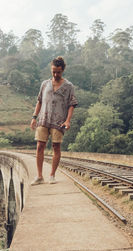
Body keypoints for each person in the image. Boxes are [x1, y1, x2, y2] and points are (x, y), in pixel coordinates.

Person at [30, 56, 77, 185]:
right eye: (54, 71)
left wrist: (68, 121)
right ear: (51, 70)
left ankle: (52, 175)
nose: (56, 74)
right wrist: (34, 117)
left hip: (58, 121)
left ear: (63, 71)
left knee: (56, 147)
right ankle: (39, 176)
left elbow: (71, 105)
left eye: (58, 72)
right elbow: (39, 101)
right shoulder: (45, 84)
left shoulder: (68, 86)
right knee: (40, 146)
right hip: (43, 119)